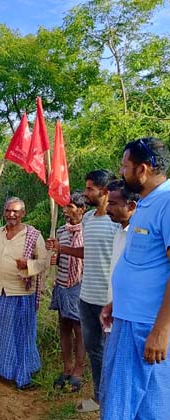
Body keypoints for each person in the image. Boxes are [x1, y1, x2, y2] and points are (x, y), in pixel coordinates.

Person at [100, 138, 170, 419]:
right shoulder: (145, 203)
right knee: (122, 405)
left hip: (148, 327)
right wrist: (118, 303)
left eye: (124, 166)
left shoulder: (166, 202)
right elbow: (144, 264)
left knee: (149, 408)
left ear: (142, 169)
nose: (121, 172)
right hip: (128, 319)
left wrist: (161, 331)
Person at [48, 169, 120, 412]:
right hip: (85, 296)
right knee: (94, 350)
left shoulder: (117, 222)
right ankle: (99, 398)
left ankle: (114, 400)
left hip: (109, 299)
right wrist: (63, 249)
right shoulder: (88, 218)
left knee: (112, 351)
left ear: (105, 191)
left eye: (90, 188)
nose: (85, 192)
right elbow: (86, 252)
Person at [0, 197, 48, 389]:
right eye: (8, 210)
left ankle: (22, 375)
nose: (11, 214)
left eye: (15, 211)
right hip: (0, 290)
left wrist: (29, 265)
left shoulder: (33, 236)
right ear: (4, 212)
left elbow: (44, 263)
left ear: (23, 213)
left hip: (22, 293)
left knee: (21, 335)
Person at [48, 192, 86, 392]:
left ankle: (78, 371)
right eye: (64, 206)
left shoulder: (87, 230)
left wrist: (61, 249)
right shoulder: (61, 231)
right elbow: (58, 255)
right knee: (64, 326)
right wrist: (54, 256)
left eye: (70, 206)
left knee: (79, 329)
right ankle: (67, 367)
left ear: (81, 209)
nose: (65, 210)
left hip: (79, 285)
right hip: (61, 284)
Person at [104, 180, 138, 276]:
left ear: (131, 206)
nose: (107, 208)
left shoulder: (141, 235)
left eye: (112, 203)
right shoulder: (119, 231)